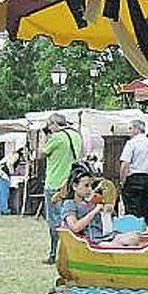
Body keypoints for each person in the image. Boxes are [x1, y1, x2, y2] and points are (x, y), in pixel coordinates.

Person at [39, 113, 83, 264]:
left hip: (55, 184)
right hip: (71, 184)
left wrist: (43, 137)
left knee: (55, 221)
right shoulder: (76, 135)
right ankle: (72, 253)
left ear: (53, 124)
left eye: (49, 125)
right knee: (70, 219)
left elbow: (40, 154)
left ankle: (54, 254)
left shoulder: (56, 138)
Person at [119, 119, 148, 224]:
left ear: (137, 129)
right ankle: (145, 230)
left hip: (133, 178)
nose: (129, 131)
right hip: (147, 178)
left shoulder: (131, 144)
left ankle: (133, 230)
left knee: (132, 208)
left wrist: (122, 181)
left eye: (130, 128)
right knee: (146, 208)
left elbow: (125, 164)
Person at [0, 148, 24, 215]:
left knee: (1, 193)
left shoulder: (12, 154)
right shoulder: (16, 155)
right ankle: (5, 210)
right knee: (4, 193)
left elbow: (0, 163)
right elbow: (10, 164)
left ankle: (3, 209)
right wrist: (12, 172)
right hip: (3, 174)